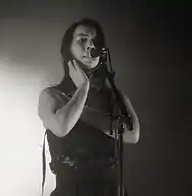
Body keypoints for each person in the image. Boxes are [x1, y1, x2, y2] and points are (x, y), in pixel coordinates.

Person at [38, 18, 140, 196]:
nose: (90, 46)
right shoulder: (51, 95)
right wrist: (83, 87)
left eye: (95, 41)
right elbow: (62, 127)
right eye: (82, 39)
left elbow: (132, 134)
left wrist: (82, 111)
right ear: (68, 49)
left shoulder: (114, 96)